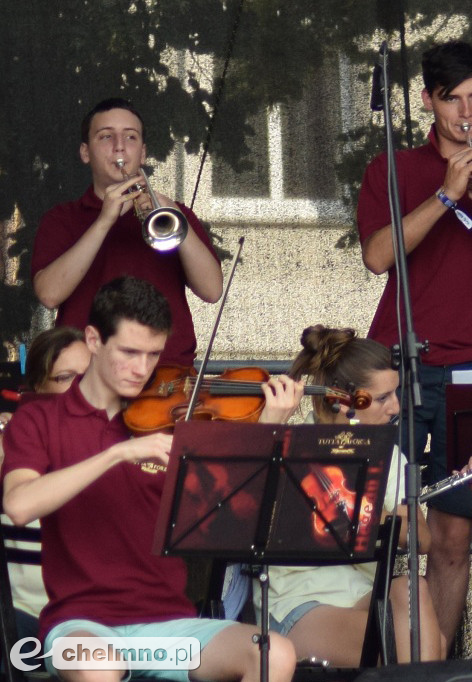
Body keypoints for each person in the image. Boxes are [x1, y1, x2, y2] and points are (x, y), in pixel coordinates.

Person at [1, 276, 299, 682]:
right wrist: (117, 453)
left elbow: (230, 518)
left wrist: (267, 430)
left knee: (273, 655)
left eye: (153, 354)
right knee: (97, 664)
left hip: (165, 632)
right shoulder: (40, 419)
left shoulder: (173, 422)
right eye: (128, 351)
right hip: (77, 628)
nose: (142, 369)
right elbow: (18, 506)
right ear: (93, 340)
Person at [357, 40, 472, 649]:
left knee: (452, 538)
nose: (465, 113)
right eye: (450, 101)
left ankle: (430, 668)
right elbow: (377, 256)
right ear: (428, 102)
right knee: (372, 524)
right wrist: (444, 194)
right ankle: (370, 657)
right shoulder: (393, 167)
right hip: (397, 367)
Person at [255, 325, 445, 665]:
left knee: (411, 590)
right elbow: (245, 514)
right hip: (297, 601)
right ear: (343, 400)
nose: (396, 408)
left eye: (396, 394)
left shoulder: (387, 454)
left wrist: (362, 510)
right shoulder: (288, 443)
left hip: (362, 595)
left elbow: (422, 538)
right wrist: (270, 427)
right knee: (419, 644)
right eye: (383, 397)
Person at [31, 97, 223, 367]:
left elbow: (212, 291)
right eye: (106, 136)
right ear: (85, 153)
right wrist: (104, 221)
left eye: (130, 137)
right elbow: (49, 294)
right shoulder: (62, 218)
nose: (119, 146)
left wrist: (176, 220)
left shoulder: (174, 214)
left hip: (166, 378)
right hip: (89, 377)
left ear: (142, 153)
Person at [0, 327, 90, 645]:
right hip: (24, 616)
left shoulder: (119, 447)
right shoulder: (13, 445)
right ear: (38, 386)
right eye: (66, 378)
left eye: (90, 377)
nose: (81, 390)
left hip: (96, 618)